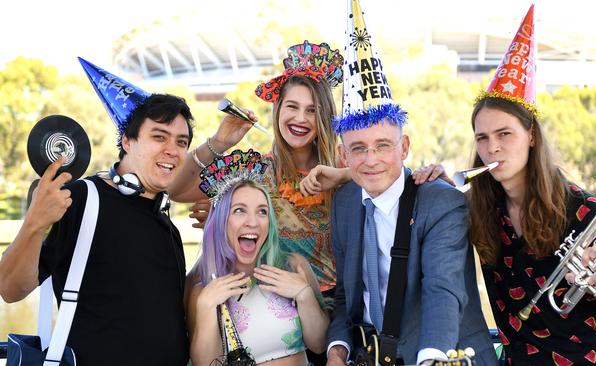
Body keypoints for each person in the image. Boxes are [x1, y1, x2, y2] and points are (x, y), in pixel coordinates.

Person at [466, 5, 596, 365]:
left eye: (504, 134)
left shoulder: (585, 211)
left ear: (531, 136)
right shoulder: (480, 210)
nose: (492, 147)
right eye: (482, 138)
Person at [326, 1, 496, 365]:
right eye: (358, 148)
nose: (370, 160)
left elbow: (443, 291)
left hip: (445, 355)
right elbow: (347, 296)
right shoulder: (343, 204)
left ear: (404, 147)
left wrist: (432, 357)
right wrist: (337, 347)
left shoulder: (440, 202)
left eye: (382, 146)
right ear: (344, 157)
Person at [0, 59, 194, 365]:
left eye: (181, 142)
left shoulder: (167, 225)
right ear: (127, 141)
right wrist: (34, 224)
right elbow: (10, 289)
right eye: (159, 137)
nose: (172, 149)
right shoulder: (80, 199)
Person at [169, 41, 343, 299]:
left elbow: (389, 183)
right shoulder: (254, 171)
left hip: (336, 306)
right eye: (292, 107)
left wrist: (345, 176)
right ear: (278, 109)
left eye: (312, 111)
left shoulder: (346, 166)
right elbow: (176, 189)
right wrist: (220, 142)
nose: (300, 119)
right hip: (269, 303)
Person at [186, 150, 329, 366]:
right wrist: (206, 307)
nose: (253, 222)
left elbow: (319, 345)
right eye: (239, 210)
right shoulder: (202, 288)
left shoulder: (293, 266)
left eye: (262, 212)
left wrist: (304, 295)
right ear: (221, 221)